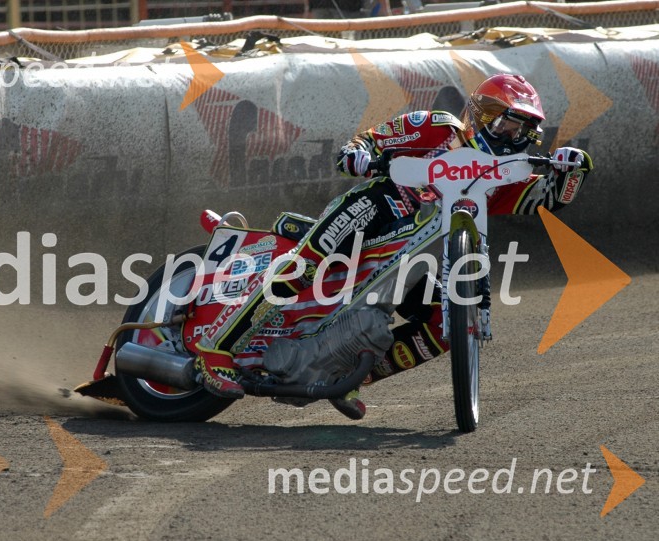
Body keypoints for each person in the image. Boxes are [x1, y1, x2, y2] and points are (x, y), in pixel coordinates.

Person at [195, 73, 594, 419]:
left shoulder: (503, 178)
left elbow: (548, 198)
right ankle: (217, 347)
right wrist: (360, 156)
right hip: (377, 209)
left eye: (526, 130)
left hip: (419, 256)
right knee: (304, 267)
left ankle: (350, 376)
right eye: (510, 124)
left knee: (442, 327)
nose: (516, 137)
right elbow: (370, 141)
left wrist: (571, 170)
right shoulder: (441, 128)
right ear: (486, 115)